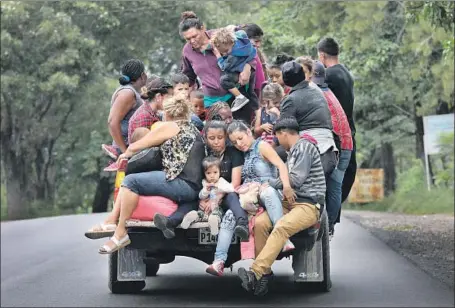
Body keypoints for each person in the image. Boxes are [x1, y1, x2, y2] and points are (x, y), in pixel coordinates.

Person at [94, 96, 205, 253]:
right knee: (134, 180)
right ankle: (111, 220)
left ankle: (120, 232)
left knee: (131, 181)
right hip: (193, 188)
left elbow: (137, 146)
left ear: (167, 113)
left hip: (183, 185)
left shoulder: (171, 126)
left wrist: (124, 155)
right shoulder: (192, 128)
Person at [238, 117, 326, 296]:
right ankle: (265, 276)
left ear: (283, 133)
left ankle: (255, 272)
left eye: (277, 137)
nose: (277, 141)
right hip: (289, 202)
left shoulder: (304, 147)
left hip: (307, 204)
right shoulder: (293, 151)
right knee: (261, 224)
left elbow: (295, 179)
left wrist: (268, 183)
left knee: (281, 227)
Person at [179, 11, 259, 124]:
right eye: (188, 39)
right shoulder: (187, 51)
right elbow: (188, 77)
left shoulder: (219, 37)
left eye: (194, 36)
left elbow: (249, 51)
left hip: (236, 96)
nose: (192, 41)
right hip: (212, 102)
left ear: (203, 28)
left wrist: (247, 68)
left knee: (239, 133)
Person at [312, 60, 353, 237]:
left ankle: (325, 226)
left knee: (331, 185)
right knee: (335, 185)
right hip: (346, 144)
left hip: (338, 146)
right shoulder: (328, 91)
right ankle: (329, 227)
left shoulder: (316, 94)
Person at [280, 61, 338, 181]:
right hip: (330, 152)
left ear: (285, 80)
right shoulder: (318, 92)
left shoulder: (290, 100)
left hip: (310, 155)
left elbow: (284, 132)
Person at [103, 77, 174, 172]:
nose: (172, 101)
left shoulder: (153, 113)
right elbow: (144, 150)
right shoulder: (144, 117)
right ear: (158, 97)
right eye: (169, 97)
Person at [317, 37, 356, 204]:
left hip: (335, 132)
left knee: (332, 180)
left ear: (322, 55)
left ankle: (330, 220)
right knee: (343, 177)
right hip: (349, 130)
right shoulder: (346, 72)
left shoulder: (328, 75)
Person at [102, 59, 147, 163]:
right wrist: (125, 152)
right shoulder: (127, 93)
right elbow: (112, 123)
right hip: (126, 149)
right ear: (142, 75)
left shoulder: (135, 92)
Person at [181, 156, 234, 235]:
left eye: (215, 172)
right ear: (204, 174)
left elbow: (231, 189)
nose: (212, 176)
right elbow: (200, 196)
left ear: (220, 172)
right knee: (200, 214)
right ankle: (192, 216)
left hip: (216, 207)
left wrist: (218, 187)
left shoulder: (221, 181)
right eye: (208, 173)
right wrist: (205, 190)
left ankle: (213, 222)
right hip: (204, 209)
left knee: (217, 213)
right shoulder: (204, 182)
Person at [211, 27, 257, 112]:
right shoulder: (241, 39)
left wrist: (218, 56)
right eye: (222, 52)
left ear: (231, 43)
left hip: (240, 70)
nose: (225, 53)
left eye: (226, 51)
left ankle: (239, 97)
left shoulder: (233, 56)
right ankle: (256, 108)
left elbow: (224, 67)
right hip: (252, 69)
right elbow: (241, 32)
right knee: (251, 92)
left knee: (224, 80)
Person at [238, 23, 268, 98]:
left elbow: (260, 84)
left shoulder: (254, 55)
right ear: (245, 39)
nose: (259, 45)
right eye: (256, 41)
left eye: (260, 41)